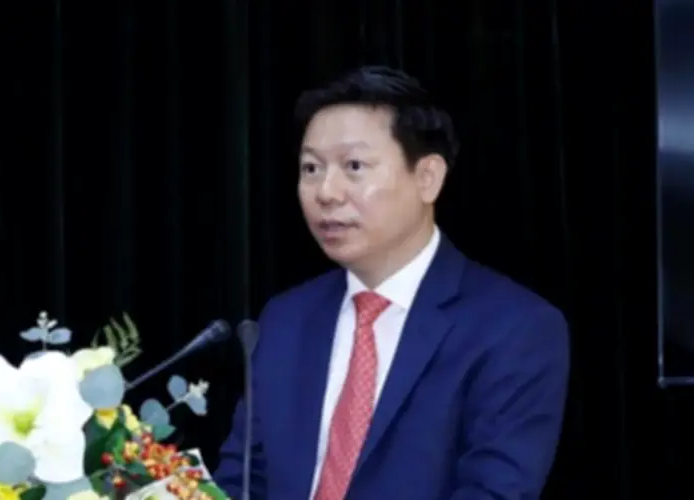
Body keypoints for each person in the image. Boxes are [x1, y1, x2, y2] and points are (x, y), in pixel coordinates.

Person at [214, 66, 569, 500]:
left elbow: (494, 492)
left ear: (427, 178)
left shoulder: (514, 328)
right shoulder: (286, 319)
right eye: (311, 168)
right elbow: (242, 481)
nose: (326, 192)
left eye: (354, 166)